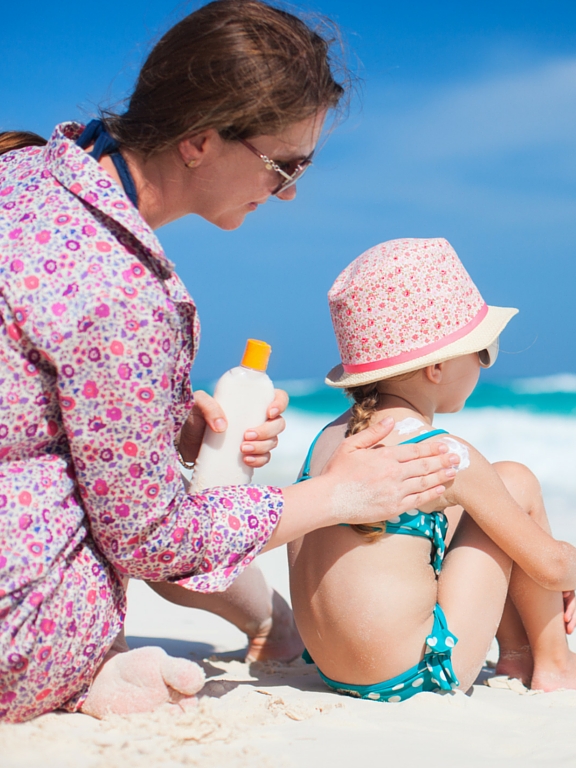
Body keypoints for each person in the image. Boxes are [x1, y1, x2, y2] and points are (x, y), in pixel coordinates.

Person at [0, 1, 460, 723]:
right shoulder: (120, 294)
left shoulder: (24, 172)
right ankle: (86, 679)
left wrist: (161, 413)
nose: (289, 191)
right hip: (20, 640)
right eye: (284, 165)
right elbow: (151, 538)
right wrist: (341, 495)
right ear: (200, 140)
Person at [289, 238, 576, 700]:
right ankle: (555, 662)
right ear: (438, 366)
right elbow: (550, 567)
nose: (486, 365)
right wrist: (572, 568)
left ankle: (517, 654)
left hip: (334, 670)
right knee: (514, 482)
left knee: (467, 514)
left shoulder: (332, 439)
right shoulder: (443, 453)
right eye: (483, 351)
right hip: (413, 677)